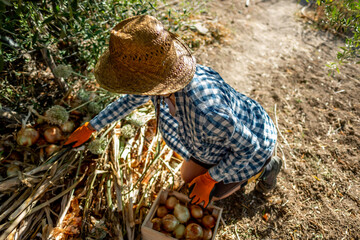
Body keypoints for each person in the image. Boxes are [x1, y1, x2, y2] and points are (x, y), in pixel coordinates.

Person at [65, 15, 281, 208]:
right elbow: (130, 101)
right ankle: (219, 173)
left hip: (254, 143)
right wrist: (91, 126)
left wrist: (209, 180)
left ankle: (265, 168)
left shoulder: (205, 111)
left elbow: (249, 148)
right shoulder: (166, 73)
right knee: (190, 176)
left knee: (203, 189)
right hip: (226, 131)